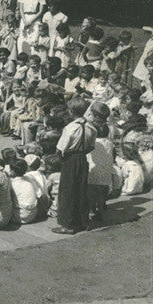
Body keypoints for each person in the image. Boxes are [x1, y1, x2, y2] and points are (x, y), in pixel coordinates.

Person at [53, 98, 97, 234]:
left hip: (70, 159)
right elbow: (91, 147)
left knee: (67, 191)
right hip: (83, 158)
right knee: (81, 189)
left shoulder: (70, 128)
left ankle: (67, 224)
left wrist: (64, 159)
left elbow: (60, 149)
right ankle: (82, 221)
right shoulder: (91, 127)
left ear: (71, 111)